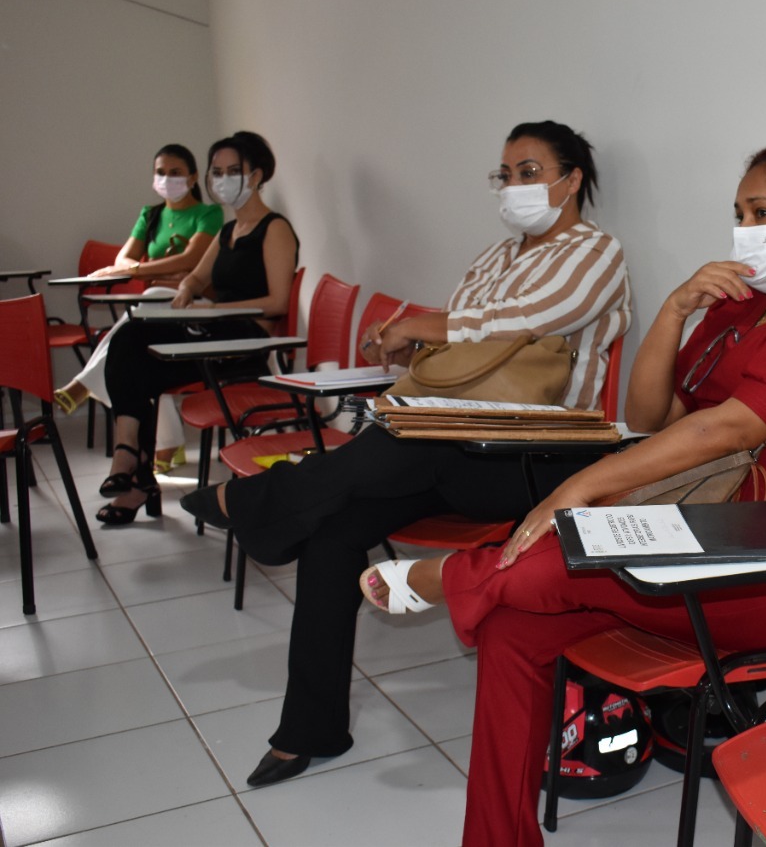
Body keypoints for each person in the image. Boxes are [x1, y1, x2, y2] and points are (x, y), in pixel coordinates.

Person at [356, 140, 766, 845]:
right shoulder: (744, 305)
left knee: (551, 561)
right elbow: (650, 417)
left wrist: (578, 488)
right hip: (692, 541)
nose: (745, 230)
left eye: (762, 212)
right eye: (739, 213)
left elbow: (729, 427)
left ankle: (456, 575)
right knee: (512, 625)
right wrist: (676, 309)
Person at [178, 120, 632, 788]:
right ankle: (310, 730)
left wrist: (424, 325)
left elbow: (522, 323)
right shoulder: (494, 257)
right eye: (505, 174)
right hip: (450, 443)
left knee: (395, 448)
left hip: (535, 456)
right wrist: (409, 342)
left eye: (529, 172)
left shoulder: (597, 252)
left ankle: (259, 501)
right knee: (334, 529)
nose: (513, 185)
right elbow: (464, 357)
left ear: (571, 181)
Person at [96, 131, 297, 525]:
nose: (222, 180)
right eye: (216, 172)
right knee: (130, 345)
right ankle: (133, 462)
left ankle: (132, 466)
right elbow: (197, 276)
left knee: (135, 350)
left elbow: (278, 302)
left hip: (244, 343)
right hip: (214, 332)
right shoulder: (229, 231)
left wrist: (217, 308)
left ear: (256, 175)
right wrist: (188, 289)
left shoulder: (274, 229)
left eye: (232, 171)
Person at [54, 144, 224, 472]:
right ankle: (168, 444)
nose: (167, 179)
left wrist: (144, 271)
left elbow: (191, 261)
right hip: (157, 305)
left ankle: (84, 384)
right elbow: (123, 259)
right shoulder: (151, 214)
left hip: (195, 304)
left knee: (142, 314)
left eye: (175, 173)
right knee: (139, 349)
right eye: (160, 172)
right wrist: (157, 272)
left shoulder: (208, 214)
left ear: (192, 178)